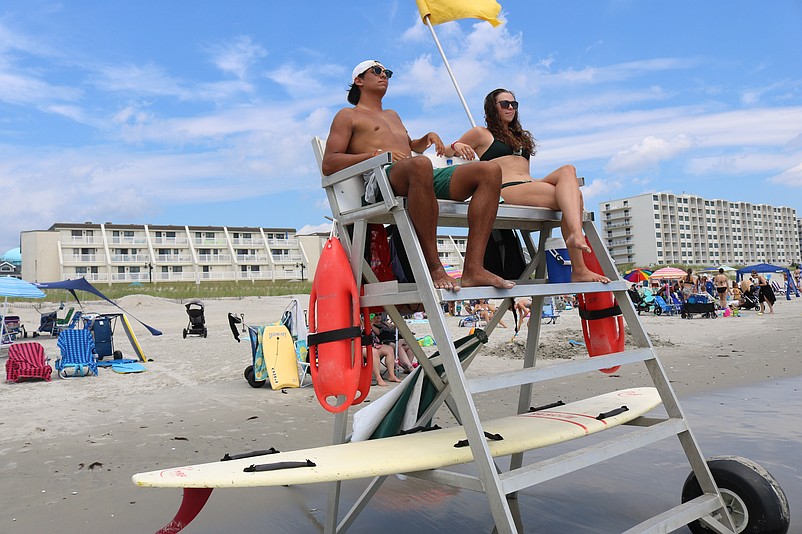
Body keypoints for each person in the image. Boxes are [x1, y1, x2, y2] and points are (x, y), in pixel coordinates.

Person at [322, 60, 514, 292]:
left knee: (489, 170)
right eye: (377, 71)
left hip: (416, 172)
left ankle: (474, 268)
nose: (384, 75)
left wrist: (426, 138)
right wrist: (374, 155)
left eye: (387, 72)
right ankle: (434, 267)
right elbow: (329, 163)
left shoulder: (392, 115)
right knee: (420, 165)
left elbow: (410, 146)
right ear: (359, 80)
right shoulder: (347, 115)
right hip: (380, 180)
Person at [444, 88, 609, 284]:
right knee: (576, 198)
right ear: (492, 107)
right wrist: (457, 145)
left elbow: (525, 172)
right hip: (506, 189)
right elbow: (446, 151)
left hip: (528, 184)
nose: (511, 108)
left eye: (514, 104)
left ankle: (575, 241)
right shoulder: (481, 133)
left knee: (567, 170)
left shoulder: (519, 137)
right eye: (505, 104)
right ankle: (579, 263)